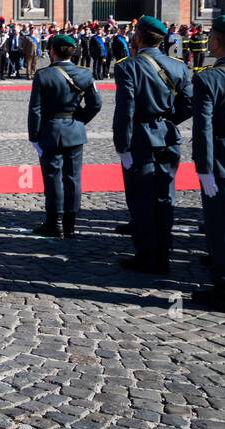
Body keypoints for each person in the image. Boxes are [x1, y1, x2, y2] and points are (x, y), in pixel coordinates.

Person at [113, 16, 193, 276]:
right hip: (168, 137)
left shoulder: (129, 67)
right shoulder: (179, 67)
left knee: (141, 198)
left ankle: (146, 254)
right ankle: (163, 254)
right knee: (165, 196)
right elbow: (189, 104)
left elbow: (126, 109)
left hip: (140, 138)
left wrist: (122, 146)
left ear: (138, 36)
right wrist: (167, 121)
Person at [28, 33, 102, 239]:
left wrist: (34, 136)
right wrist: (80, 120)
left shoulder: (43, 75)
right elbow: (96, 104)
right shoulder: (85, 75)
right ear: (74, 52)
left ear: (52, 51)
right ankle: (70, 224)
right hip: (75, 130)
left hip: (51, 131)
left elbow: (35, 110)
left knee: (53, 178)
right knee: (73, 178)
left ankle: (55, 222)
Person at [192, 16, 225, 311]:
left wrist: (203, 168)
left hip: (222, 160)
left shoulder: (209, 79)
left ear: (215, 42)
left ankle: (223, 288)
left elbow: (203, 128)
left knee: (219, 225)